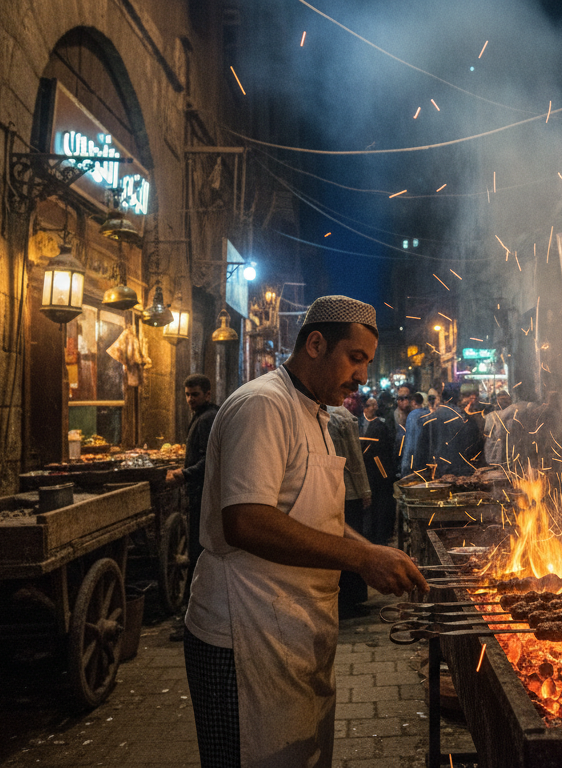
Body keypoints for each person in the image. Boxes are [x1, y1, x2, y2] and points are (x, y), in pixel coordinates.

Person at [183, 296, 426, 768]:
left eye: (367, 362)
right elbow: (246, 520)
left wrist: (372, 550)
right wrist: (360, 560)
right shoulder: (263, 405)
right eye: (355, 358)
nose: (362, 375)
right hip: (241, 635)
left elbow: (313, 520)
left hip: (288, 631)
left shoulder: (314, 411)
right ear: (315, 343)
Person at [166, 373, 220, 638]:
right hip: (199, 493)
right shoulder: (201, 417)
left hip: (203, 496)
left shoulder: (208, 419)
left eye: (195, 394)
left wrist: (183, 474)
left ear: (207, 394)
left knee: (200, 556)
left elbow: (210, 460)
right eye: (187, 395)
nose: (190, 400)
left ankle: (195, 622)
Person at [326, 403, 371, 618]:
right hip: (349, 491)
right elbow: (355, 457)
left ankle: (340, 598)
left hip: (328, 491)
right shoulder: (342, 418)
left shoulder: (320, 416)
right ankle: (351, 599)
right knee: (353, 544)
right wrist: (365, 490)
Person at [413, 384, 484, 477]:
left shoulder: (430, 418)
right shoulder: (465, 419)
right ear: (459, 397)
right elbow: (475, 448)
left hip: (438, 471)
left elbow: (421, 448)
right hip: (462, 472)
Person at [360, 396, 397, 545]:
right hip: (368, 473)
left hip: (378, 474)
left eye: (374, 405)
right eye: (370, 405)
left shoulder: (379, 426)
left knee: (378, 506)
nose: (373, 408)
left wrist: (385, 474)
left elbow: (385, 451)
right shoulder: (359, 423)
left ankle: (377, 536)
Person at [400, 392, 429, 476]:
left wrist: (405, 467)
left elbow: (411, 443)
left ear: (413, 402)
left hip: (415, 463)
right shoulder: (429, 414)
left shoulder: (413, 416)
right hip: (426, 462)